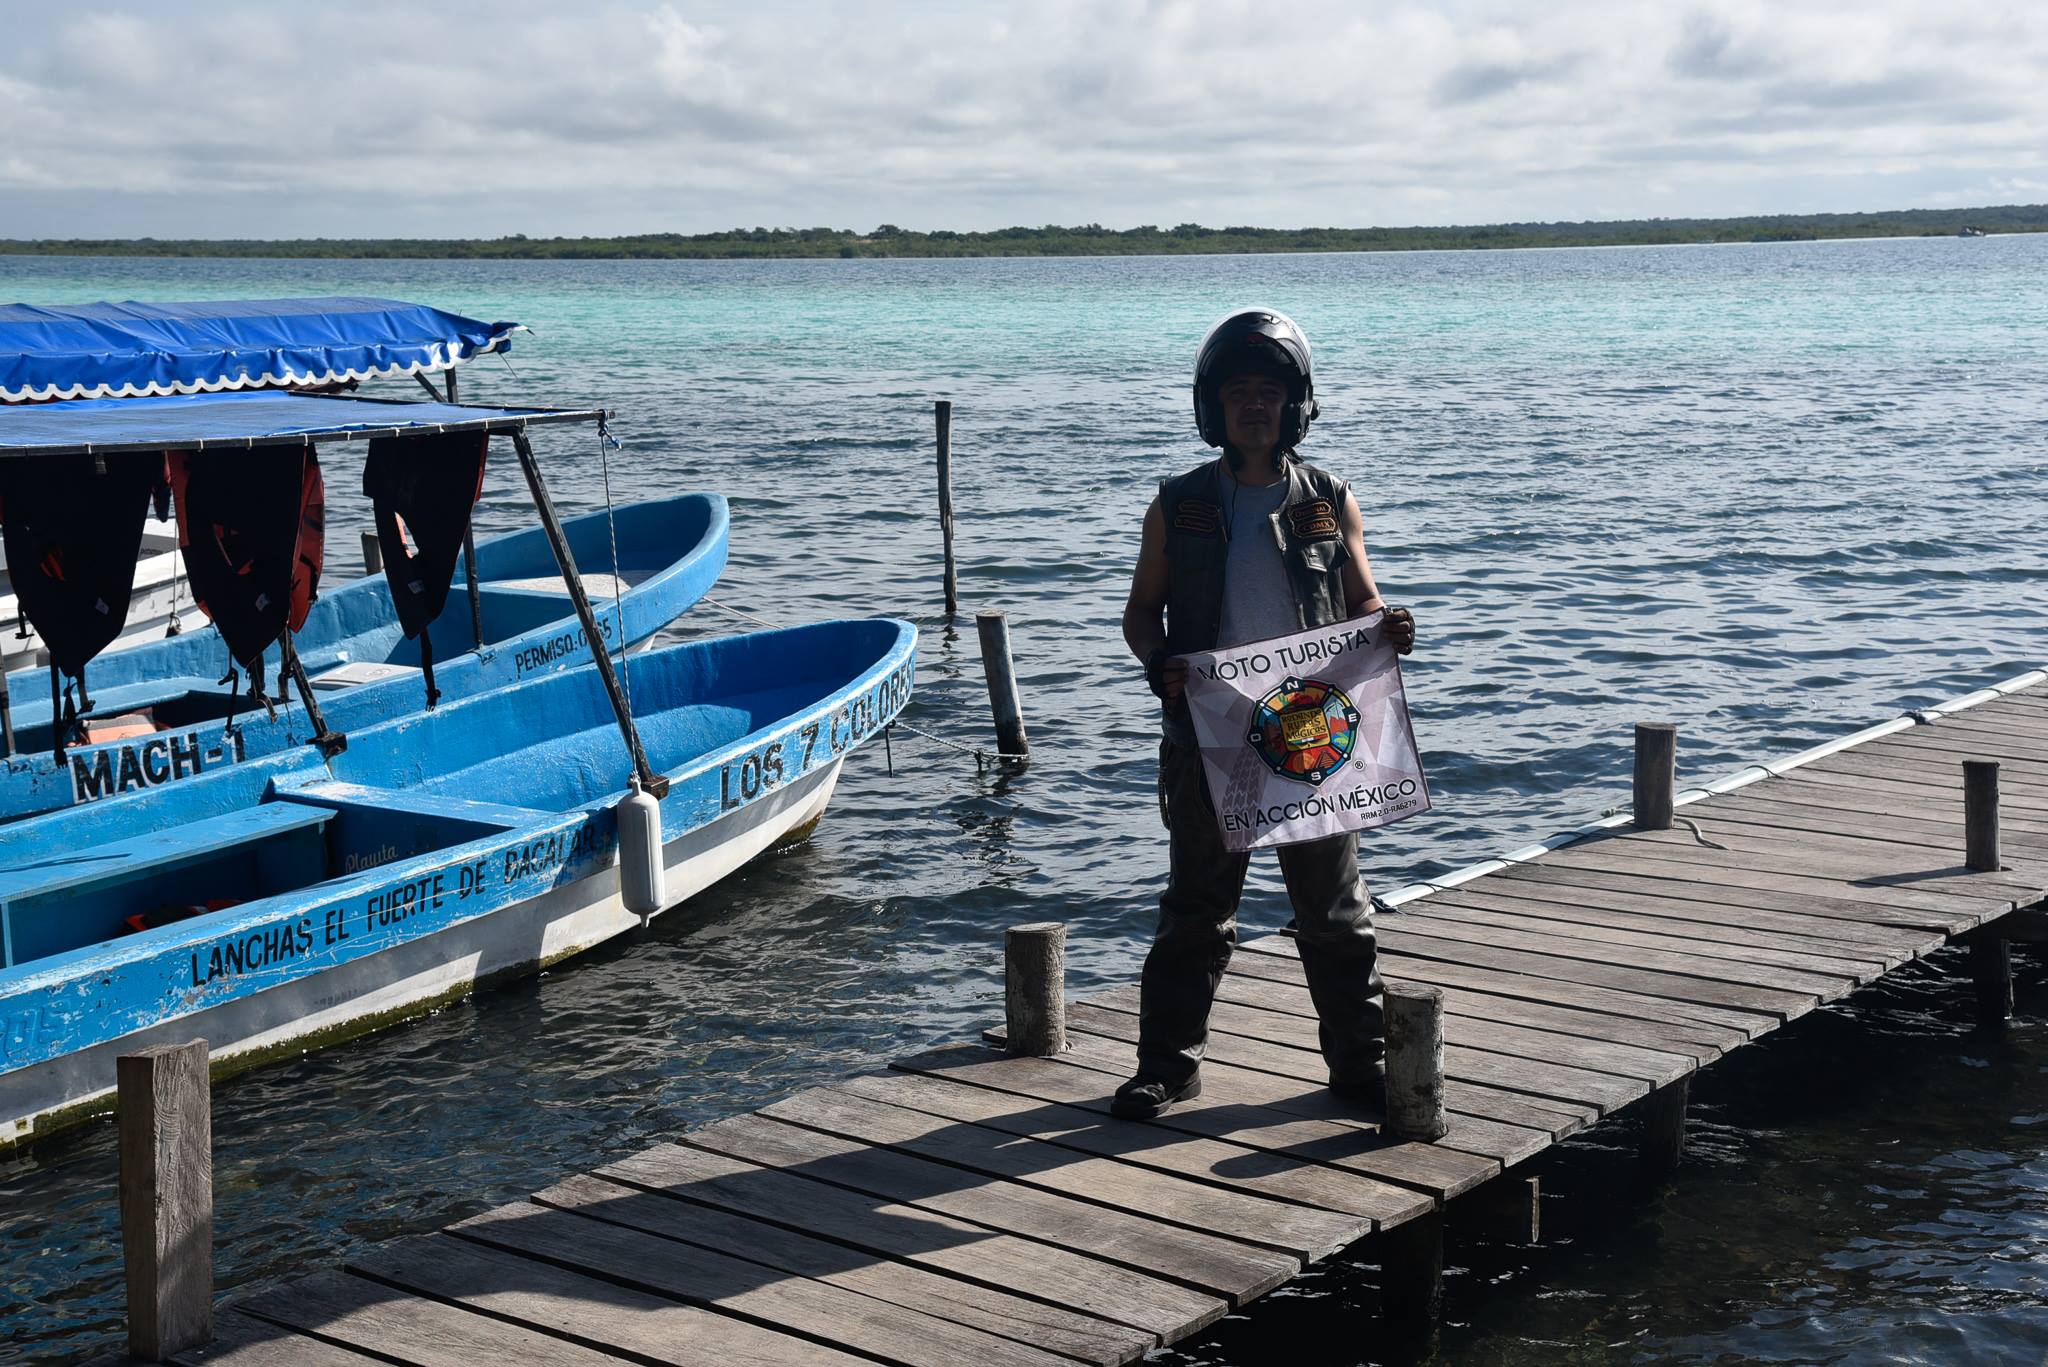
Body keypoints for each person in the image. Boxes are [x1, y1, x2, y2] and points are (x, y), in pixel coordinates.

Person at [1114, 307, 1416, 1120]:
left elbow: (1364, 600)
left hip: (1312, 737)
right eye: (1241, 392)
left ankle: (1360, 1065)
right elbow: (1142, 611)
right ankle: (1168, 1067)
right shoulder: (1178, 504)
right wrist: (1159, 663)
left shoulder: (1330, 498)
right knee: (1196, 914)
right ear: (1215, 406)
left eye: (1271, 392)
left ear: (1296, 404)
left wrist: (1390, 626)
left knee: (1335, 914)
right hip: (1210, 741)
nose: (1256, 405)